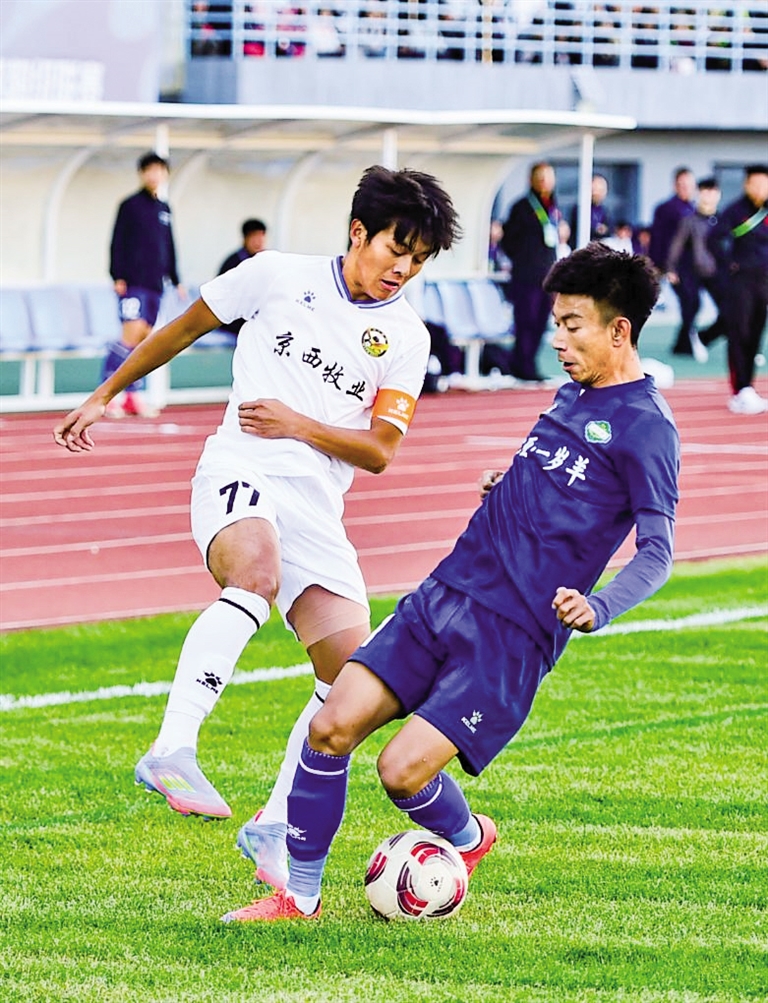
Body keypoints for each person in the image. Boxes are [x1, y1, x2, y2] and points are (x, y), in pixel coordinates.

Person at [221, 242, 680, 922]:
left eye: (572, 325)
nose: (557, 339)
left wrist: (600, 605)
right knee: (329, 726)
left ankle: (468, 838)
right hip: (443, 594)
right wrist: (509, 485)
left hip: (511, 635)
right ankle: (299, 897)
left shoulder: (647, 427)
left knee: (400, 772)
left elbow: (658, 551)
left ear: (619, 330)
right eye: (555, 322)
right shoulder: (570, 394)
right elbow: (557, 482)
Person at [53, 166, 461, 839]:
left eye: (419, 260)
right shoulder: (275, 275)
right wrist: (104, 394)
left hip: (316, 506)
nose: (404, 270)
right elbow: (181, 328)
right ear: (358, 231)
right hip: (240, 467)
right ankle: (171, 748)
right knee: (255, 577)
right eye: (397, 249)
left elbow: (380, 449)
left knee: (350, 678)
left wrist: (298, 424)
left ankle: (273, 824)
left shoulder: (408, 338)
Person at [105, 152, 184, 418]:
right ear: (141, 173)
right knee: (130, 335)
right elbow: (117, 241)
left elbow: (169, 246)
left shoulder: (164, 208)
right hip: (133, 282)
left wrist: (176, 278)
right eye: (149, 170)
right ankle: (107, 397)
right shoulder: (130, 205)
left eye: (159, 170)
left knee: (143, 341)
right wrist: (117, 275)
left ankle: (132, 396)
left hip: (155, 285)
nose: (154, 175)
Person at [710, 164, 768, 415]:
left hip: (763, 282)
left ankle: (748, 388)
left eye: (764, 184)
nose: (759, 189)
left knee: (756, 334)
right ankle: (740, 390)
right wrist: (729, 265)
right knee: (739, 334)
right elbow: (714, 240)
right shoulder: (735, 211)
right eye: (755, 184)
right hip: (740, 282)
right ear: (746, 185)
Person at [500, 161, 560, 382]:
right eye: (540, 177)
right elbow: (508, 241)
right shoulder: (522, 207)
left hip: (546, 276)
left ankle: (530, 363)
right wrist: (525, 258)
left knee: (540, 323)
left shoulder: (553, 207)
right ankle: (522, 365)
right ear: (531, 180)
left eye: (548, 177)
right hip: (527, 276)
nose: (545, 182)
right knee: (526, 321)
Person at [666, 177, 726, 364]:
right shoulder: (689, 220)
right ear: (699, 194)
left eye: (712, 192)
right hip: (691, 271)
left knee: (729, 309)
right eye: (705, 192)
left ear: (718, 195)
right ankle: (684, 345)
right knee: (691, 306)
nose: (709, 196)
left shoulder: (723, 219)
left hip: (716, 272)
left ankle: (703, 338)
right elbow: (676, 245)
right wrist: (670, 268)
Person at [648, 167, 697, 355]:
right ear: (675, 185)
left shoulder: (694, 209)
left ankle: (683, 342)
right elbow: (658, 238)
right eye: (682, 184)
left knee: (693, 302)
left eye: (689, 185)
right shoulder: (665, 209)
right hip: (673, 265)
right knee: (688, 300)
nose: (686, 188)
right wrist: (662, 266)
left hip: (692, 265)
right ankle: (684, 342)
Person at [217, 218, 268, 335]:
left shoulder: (268, 261)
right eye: (254, 237)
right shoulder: (232, 263)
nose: (258, 242)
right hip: (236, 320)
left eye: (261, 236)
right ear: (245, 238)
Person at [568, 173, 611, 248]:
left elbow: (608, 229)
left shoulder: (604, 211)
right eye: (596, 189)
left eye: (602, 190)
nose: (598, 193)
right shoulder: (581, 209)